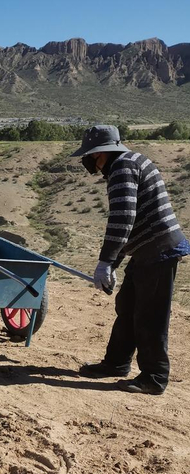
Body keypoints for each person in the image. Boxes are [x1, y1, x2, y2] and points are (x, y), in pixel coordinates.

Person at [73, 125, 189, 395]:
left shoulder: (122, 168)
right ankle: (116, 363)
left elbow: (123, 220)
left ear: (100, 153)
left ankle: (154, 377)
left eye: (90, 155)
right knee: (127, 306)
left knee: (149, 316)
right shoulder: (129, 161)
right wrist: (113, 263)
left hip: (158, 251)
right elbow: (132, 223)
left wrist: (106, 262)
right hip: (149, 249)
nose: (89, 162)